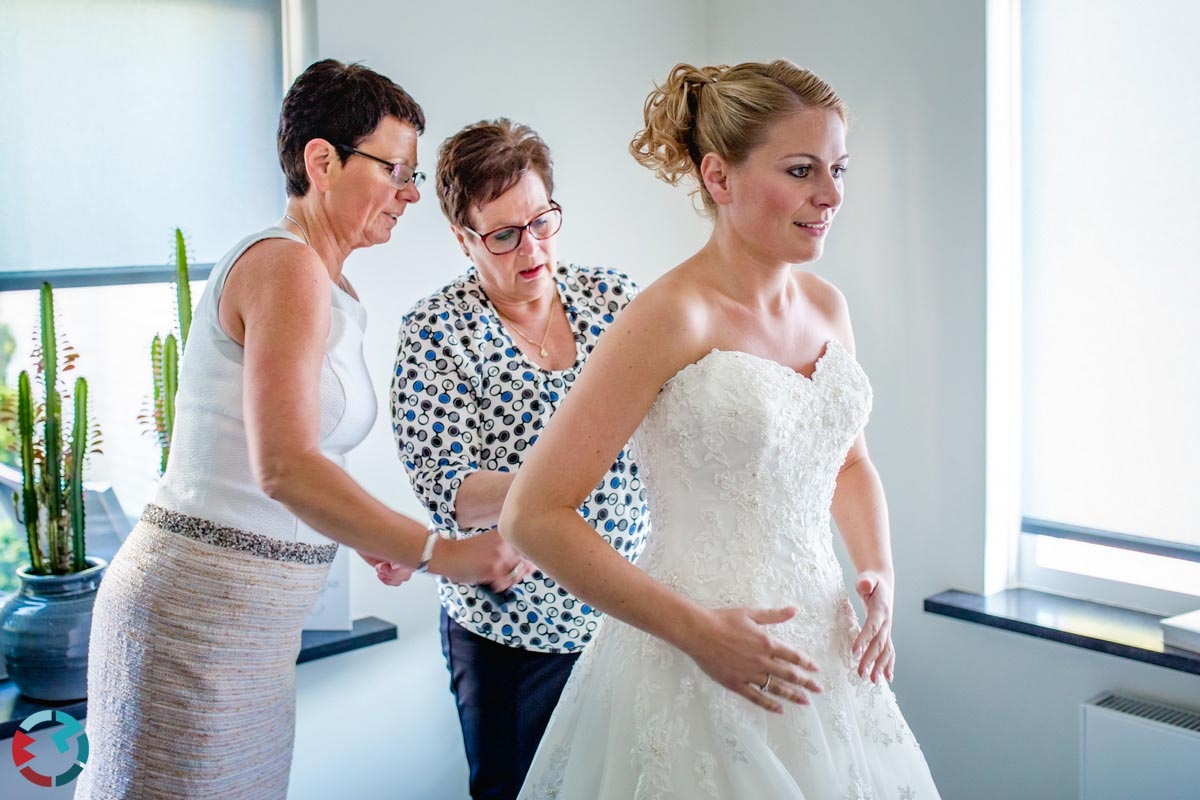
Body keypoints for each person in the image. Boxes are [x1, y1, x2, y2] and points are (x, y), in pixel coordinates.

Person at [76, 60, 522, 800]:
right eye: (396, 170)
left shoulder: (329, 285)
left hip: (255, 630)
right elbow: (283, 464)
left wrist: (369, 535)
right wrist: (440, 552)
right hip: (194, 616)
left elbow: (296, 454)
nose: (411, 194)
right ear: (323, 161)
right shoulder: (284, 267)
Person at [502, 60, 942, 798]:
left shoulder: (829, 308)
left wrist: (880, 574)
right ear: (718, 176)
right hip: (691, 657)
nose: (831, 196)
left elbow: (848, 463)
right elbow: (532, 514)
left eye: (837, 169)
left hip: (825, 653)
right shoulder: (670, 315)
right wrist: (699, 633)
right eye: (802, 170)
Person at [377, 118, 649, 799]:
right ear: (463, 238)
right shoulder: (436, 329)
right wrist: (564, 479)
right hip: (511, 632)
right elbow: (450, 488)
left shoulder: (614, 300)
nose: (531, 248)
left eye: (542, 222)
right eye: (503, 234)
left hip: (626, 611)